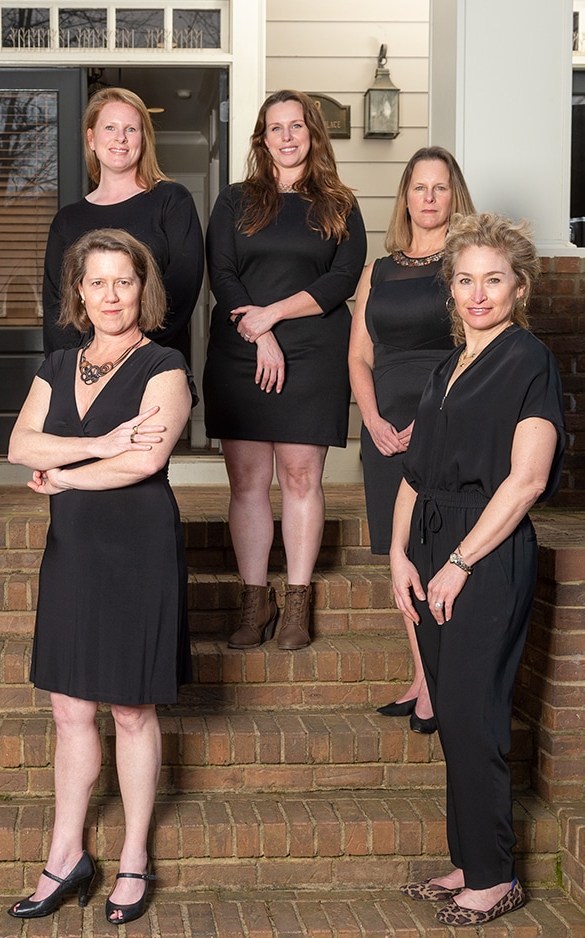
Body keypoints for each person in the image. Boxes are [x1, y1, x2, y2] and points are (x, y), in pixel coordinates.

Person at [7, 229, 194, 925]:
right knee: (67, 709)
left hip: (137, 547)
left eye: (123, 281)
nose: (110, 294)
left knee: (130, 708)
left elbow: (144, 461)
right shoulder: (57, 363)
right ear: (77, 292)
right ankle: (65, 855)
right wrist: (92, 446)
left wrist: (61, 475)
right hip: (74, 552)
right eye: (97, 282)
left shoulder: (164, 364)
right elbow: (17, 443)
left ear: (141, 289)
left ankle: (135, 855)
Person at [391, 213, 564, 925]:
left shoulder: (528, 360)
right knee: (453, 716)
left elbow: (524, 480)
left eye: (493, 280)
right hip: (429, 545)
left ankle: (494, 877)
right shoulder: (444, 366)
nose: (477, 293)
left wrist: (459, 560)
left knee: (476, 711)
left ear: (517, 287)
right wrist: (398, 555)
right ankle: (469, 857)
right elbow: (412, 473)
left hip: (484, 552)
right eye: (465, 280)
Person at [204, 89, 366, 651]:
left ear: (312, 134)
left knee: (301, 478)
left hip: (314, 354)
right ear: (262, 139)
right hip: (241, 350)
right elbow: (222, 273)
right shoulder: (233, 202)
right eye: (276, 128)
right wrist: (260, 332)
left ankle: (296, 601)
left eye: (297, 126)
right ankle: (255, 599)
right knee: (247, 482)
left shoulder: (339, 203)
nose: (288, 136)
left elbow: (342, 280)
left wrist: (274, 314)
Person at [348, 147, 476, 733]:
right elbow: (359, 355)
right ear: (405, 196)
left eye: (440, 188)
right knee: (399, 552)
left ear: (455, 196)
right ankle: (423, 677)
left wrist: (434, 418)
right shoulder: (377, 269)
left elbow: (473, 350)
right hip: (383, 425)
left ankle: (439, 686)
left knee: (430, 546)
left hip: (442, 416)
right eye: (419, 187)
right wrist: (371, 419)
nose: (428, 198)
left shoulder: (465, 265)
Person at [42, 86, 204, 364]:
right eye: (110, 128)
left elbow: (181, 292)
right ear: (91, 139)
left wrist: (131, 355)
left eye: (131, 129)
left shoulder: (172, 201)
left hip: (155, 363)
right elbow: (58, 308)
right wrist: (81, 364)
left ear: (143, 139)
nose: (121, 138)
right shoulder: (67, 221)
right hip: (86, 371)